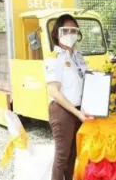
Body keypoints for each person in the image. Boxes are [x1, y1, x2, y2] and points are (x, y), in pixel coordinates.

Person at [44, 14, 94, 180]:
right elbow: (54, 91)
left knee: (73, 154)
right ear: (57, 33)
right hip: (62, 111)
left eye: (74, 30)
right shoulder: (54, 58)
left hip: (79, 109)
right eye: (66, 30)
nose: (71, 33)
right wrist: (77, 113)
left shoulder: (78, 57)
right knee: (62, 156)